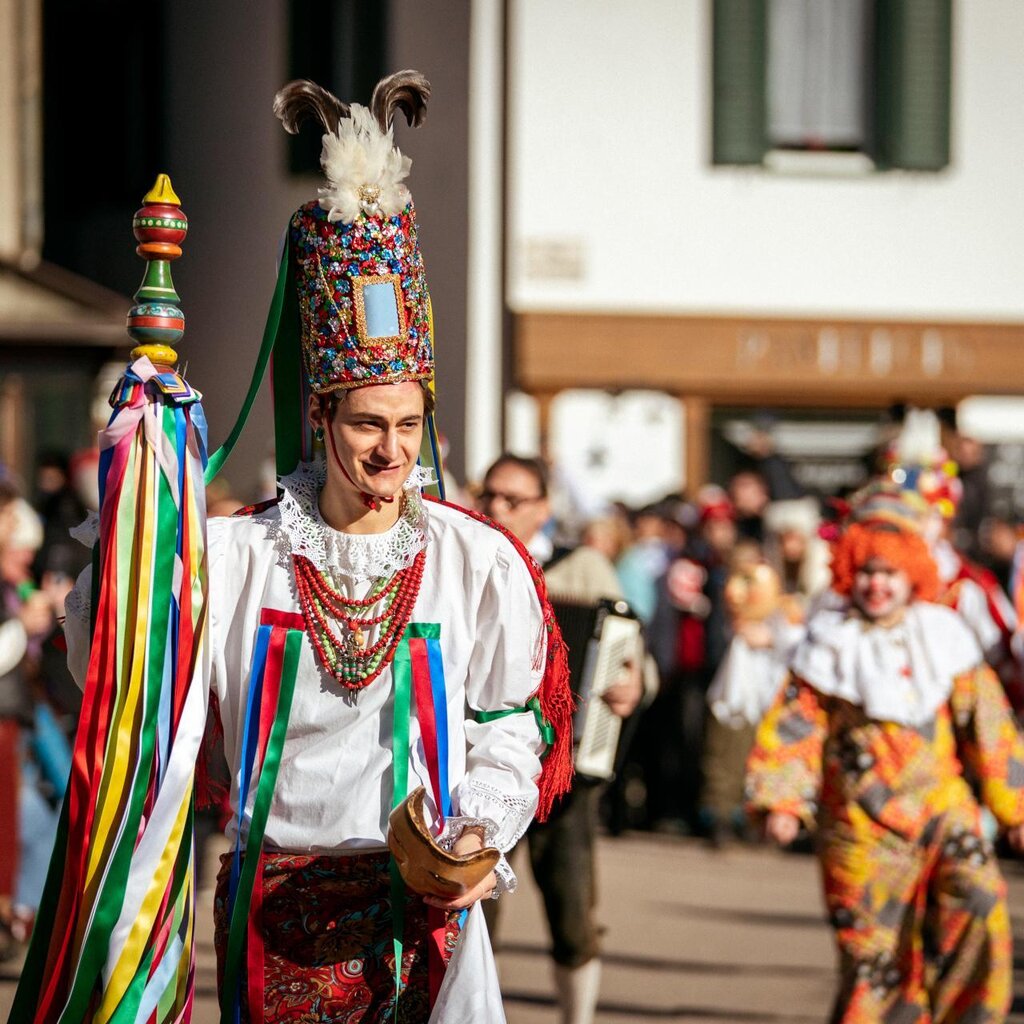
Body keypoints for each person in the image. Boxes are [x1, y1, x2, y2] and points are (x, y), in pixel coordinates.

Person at [64, 73, 572, 1023]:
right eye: (369, 424)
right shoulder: (238, 554)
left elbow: (508, 722)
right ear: (322, 418)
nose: (392, 451)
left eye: (409, 426)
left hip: (422, 908)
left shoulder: (475, 561)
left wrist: (479, 833)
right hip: (274, 912)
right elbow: (121, 656)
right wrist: (140, 509)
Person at [747, 489, 1024, 1022]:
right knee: (874, 961)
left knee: (980, 899)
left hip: (942, 810)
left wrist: (1015, 810)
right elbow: (795, 729)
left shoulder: (944, 636)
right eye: (867, 572)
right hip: (859, 826)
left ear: (911, 574)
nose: (877, 585)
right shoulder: (827, 643)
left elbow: (989, 727)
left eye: (889, 573)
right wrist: (782, 802)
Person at [477, 453, 646, 1024]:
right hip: (481, 765)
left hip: (565, 772)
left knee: (572, 909)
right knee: (473, 912)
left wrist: (632, 683)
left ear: (543, 508)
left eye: (513, 499)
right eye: (490, 495)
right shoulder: (466, 555)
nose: (497, 507)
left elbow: (632, 653)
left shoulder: (584, 568)